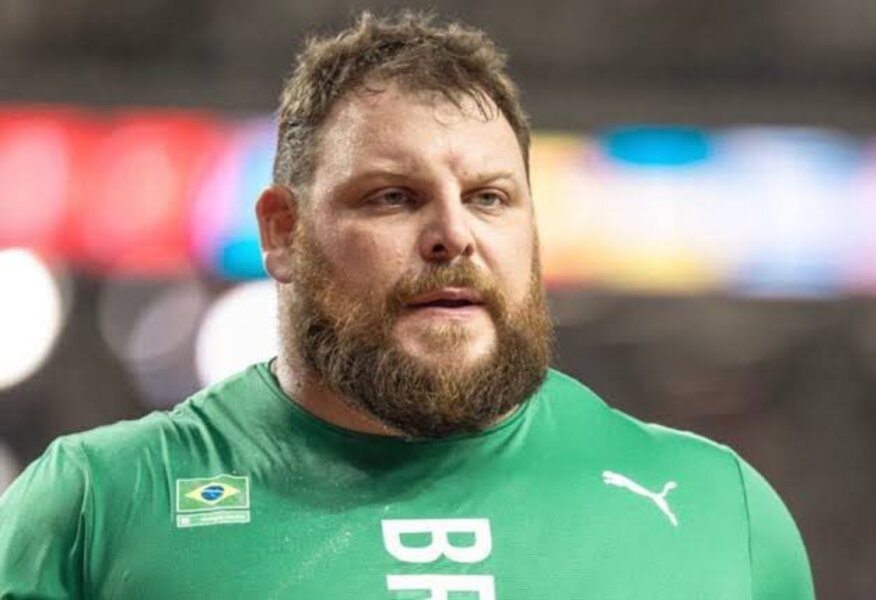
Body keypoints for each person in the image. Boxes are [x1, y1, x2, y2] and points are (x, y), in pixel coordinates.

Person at [0, 12, 814, 599]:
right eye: (393, 197)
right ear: (282, 233)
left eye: (490, 198)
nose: (454, 235)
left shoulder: (718, 511)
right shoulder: (96, 507)